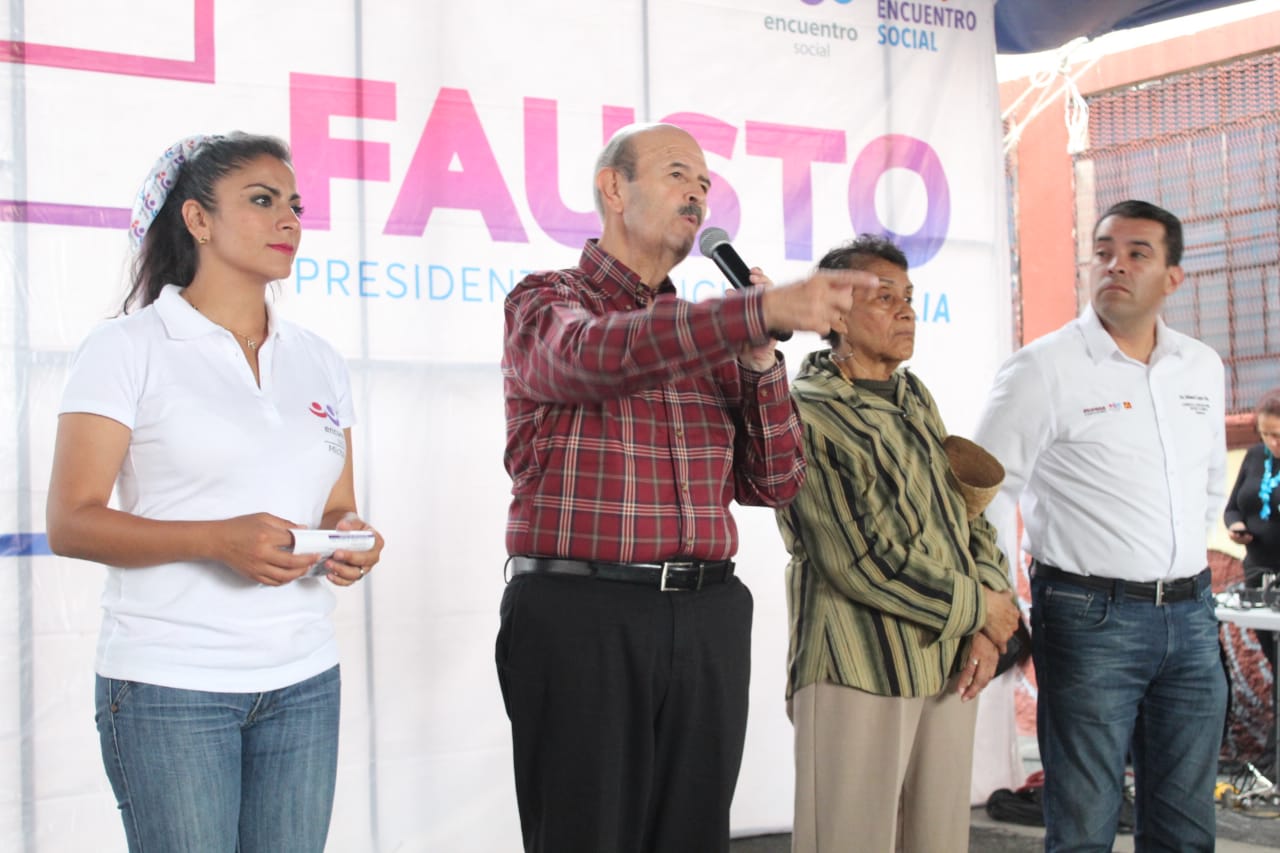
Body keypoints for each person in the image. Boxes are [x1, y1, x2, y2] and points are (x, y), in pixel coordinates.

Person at [495, 122, 860, 853]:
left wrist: (760, 357)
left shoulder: (714, 330)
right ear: (613, 188)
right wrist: (752, 312)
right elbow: (593, 359)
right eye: (675, 174)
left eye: (705, 183)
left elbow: (777, 479)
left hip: (707, 617)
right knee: (586, 834)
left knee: (694, 836)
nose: (698, 191)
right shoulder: (547, 300)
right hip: (584, 615)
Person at [45, 132, 384, 853]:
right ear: (197, 220)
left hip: (303, 677)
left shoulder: (319, 359)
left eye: (294, 203)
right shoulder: (126, 347)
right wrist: (214, 540)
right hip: (170, 686)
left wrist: (350, 538)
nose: (289, 219)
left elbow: (334, 505)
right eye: (262, 201)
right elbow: (71, 521)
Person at [974, 199, 1227, 852]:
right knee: (1084, 825)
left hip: (1192, 617)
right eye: (1104, 250)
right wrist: (999, 596)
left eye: (1138, 252)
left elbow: (1205, 484)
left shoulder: (1201, 366)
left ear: (1173, 276)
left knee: (1186, 828)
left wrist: (1185, 560)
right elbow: (985, 492)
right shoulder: (1043, 367)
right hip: (1089, 620)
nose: (1115, 264)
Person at [775, 235, 1020, 853]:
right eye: (884, 298)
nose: (906, 311)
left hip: (942, 661)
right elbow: (858, 560)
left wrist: (989, 619)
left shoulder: (914, 398)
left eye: (907, 297)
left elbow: (965, 514)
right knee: (848, 840)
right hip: (857, 665)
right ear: (835, 316)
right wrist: (978, 609)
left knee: (937, 841)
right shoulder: (805, 412)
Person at [1225, 388, 1280, 765]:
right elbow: (1232, 507)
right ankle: (1273, 756)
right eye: (1266, 434)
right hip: (1258, 574)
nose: (1272, 442)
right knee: (1276, 662)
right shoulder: (1254, 457)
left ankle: (1273, 755)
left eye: (1278, 434)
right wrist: (1237, 525)